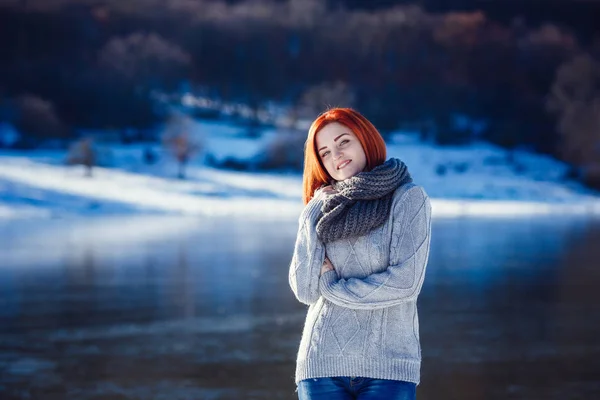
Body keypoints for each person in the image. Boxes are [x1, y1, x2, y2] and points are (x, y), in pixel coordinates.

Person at [288, 108, 432, 400]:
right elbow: (304, 290)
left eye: (343, 142)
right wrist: (311, 212)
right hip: (321, 363)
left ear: (366, 139)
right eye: (325, 152)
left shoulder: (408, 199)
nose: (336, 156)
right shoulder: (326, 209)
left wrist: (331, 286)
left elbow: (405, 283)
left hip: (389, 366)